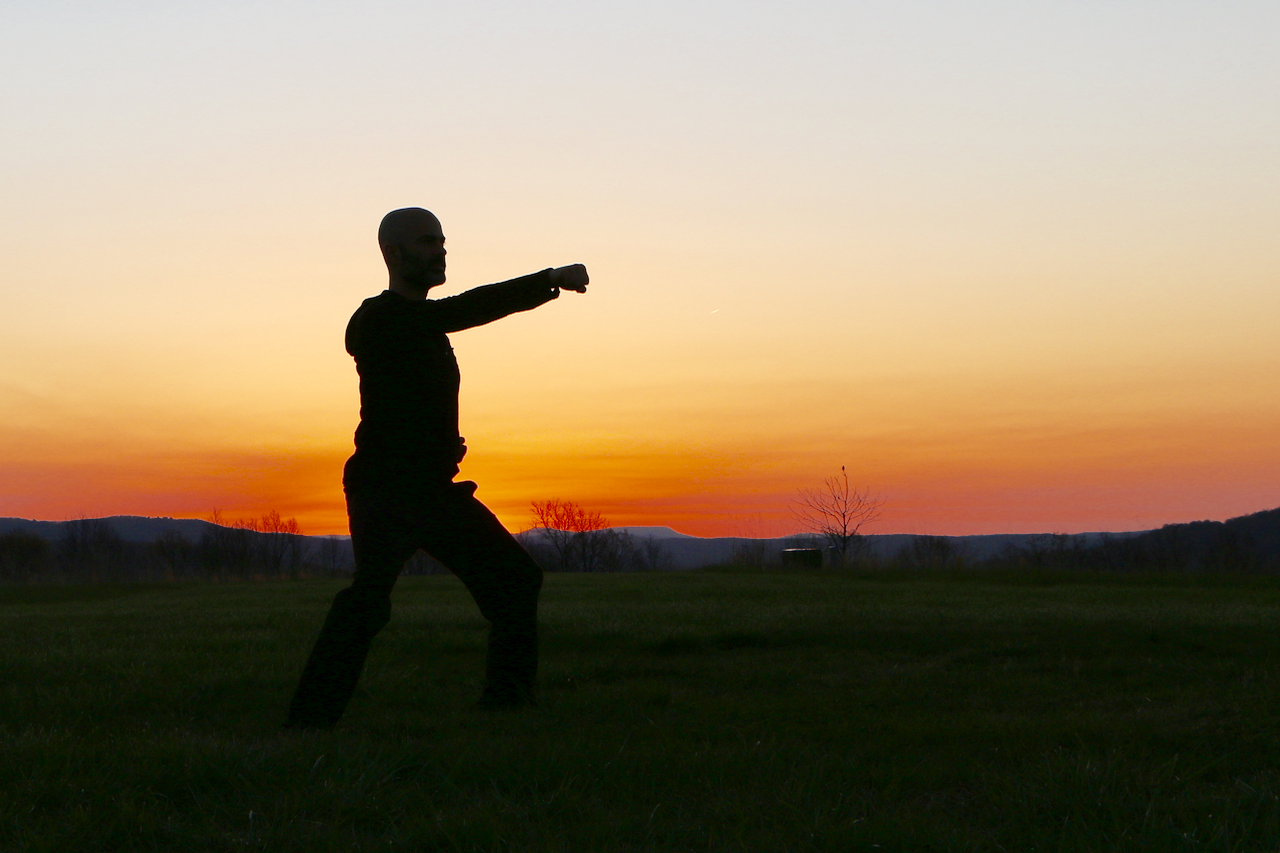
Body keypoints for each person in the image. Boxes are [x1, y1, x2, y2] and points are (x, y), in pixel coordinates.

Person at [284, 207, 588, 729]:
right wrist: (548, 280)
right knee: (369, 603)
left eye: (442, 241)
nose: (440, 251)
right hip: (388, 489)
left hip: (429, 487)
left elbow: (418, 394)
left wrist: (445, 444)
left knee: (514, 582)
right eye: (427, 242)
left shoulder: (424, 328)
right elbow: (464, 309)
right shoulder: (378, 319)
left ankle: (506, 707)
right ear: (393, 252)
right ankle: (309, 723)